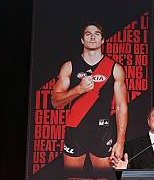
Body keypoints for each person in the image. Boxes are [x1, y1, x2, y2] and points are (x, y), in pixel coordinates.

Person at [52, 22, 128, 170]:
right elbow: (55, 102)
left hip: (103, 133)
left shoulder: (115, 68)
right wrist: (78, 90)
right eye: (88, 34)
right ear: (82, 40)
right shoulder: (69, 66)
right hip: (75, 131)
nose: (92, 37)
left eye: (97, 34)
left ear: (102, 40)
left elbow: (121, 107)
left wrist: (120, 142)